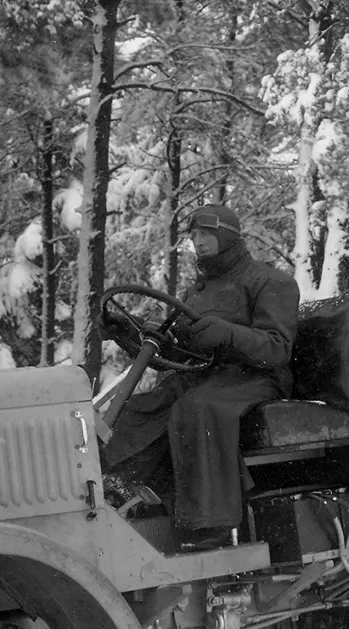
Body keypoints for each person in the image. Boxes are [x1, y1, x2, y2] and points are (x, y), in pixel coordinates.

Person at [101, 204, 300, 551]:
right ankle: (124, 493)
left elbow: (277, 348)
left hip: (255, 377)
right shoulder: (199, 292)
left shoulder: (271, 281)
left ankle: (211, 524)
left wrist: (228, 334)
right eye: (193, 236)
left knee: (197, 409)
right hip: (205, 376)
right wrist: (129, 333)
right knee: (140, 408)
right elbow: (178, 357)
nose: (198, 242)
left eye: (205, 234)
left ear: (227, 236)